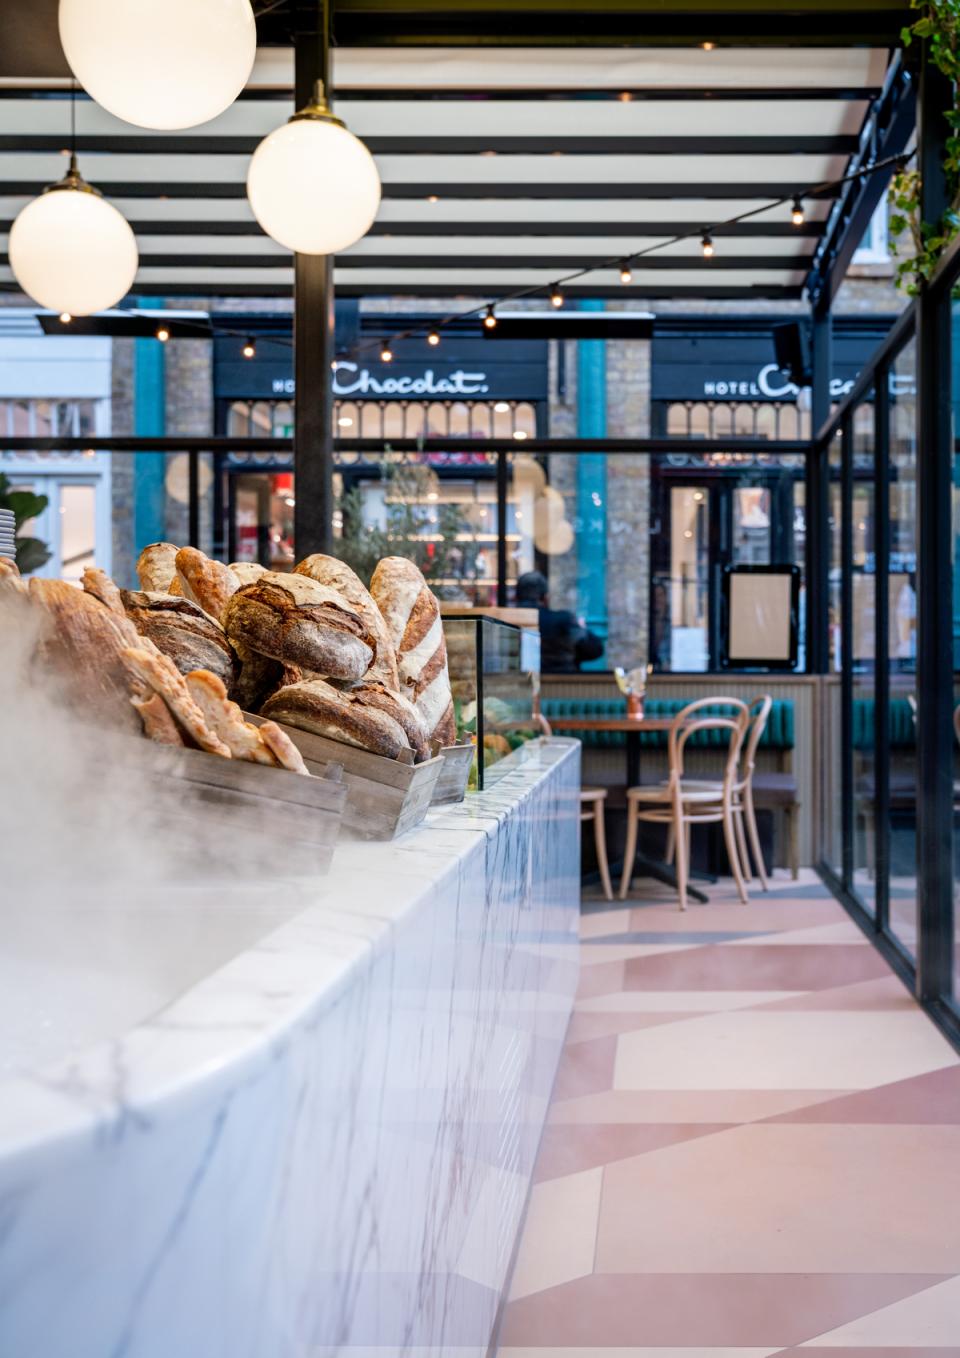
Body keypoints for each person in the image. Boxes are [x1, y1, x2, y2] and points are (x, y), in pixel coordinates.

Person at [516, 570, 604, 673]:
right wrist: (582, 628)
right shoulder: (563, 620)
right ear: (545, 597)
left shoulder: (505, 620)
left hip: (517, 682)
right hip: (562, 683)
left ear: (516, 597)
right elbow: (594, 650)